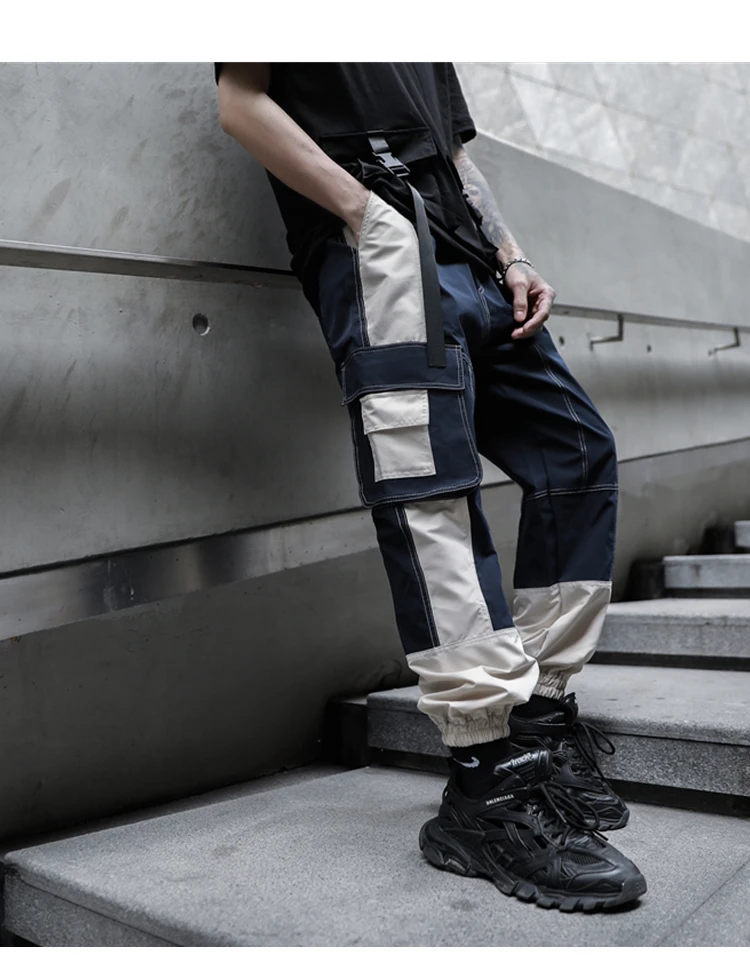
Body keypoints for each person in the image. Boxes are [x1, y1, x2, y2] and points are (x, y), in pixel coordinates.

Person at [214, 62, 647, 912]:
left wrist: (511, 253)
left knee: (577, 452)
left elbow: (452, 152)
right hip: (381, 244)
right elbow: (241, 102)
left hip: (473, 258)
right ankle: (487, 778)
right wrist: (364, 215)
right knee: (431, 491)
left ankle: (538, 718)